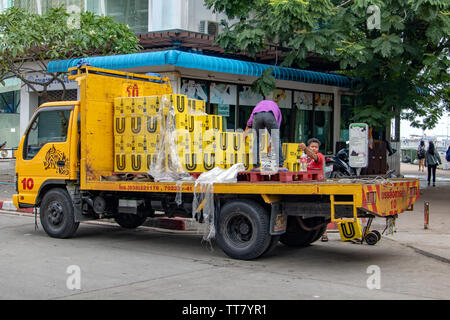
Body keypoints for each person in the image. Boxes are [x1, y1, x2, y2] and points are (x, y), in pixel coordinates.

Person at [244, 100, 286, 170]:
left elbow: (250, 120)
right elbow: (276, 131)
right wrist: (271, 144)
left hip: (257, 116)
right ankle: (280, 165)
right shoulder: (276, 108)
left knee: (256, 141)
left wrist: (245, 133)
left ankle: (256, 166)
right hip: (270, 115)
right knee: (276, 140)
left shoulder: (258, 106)